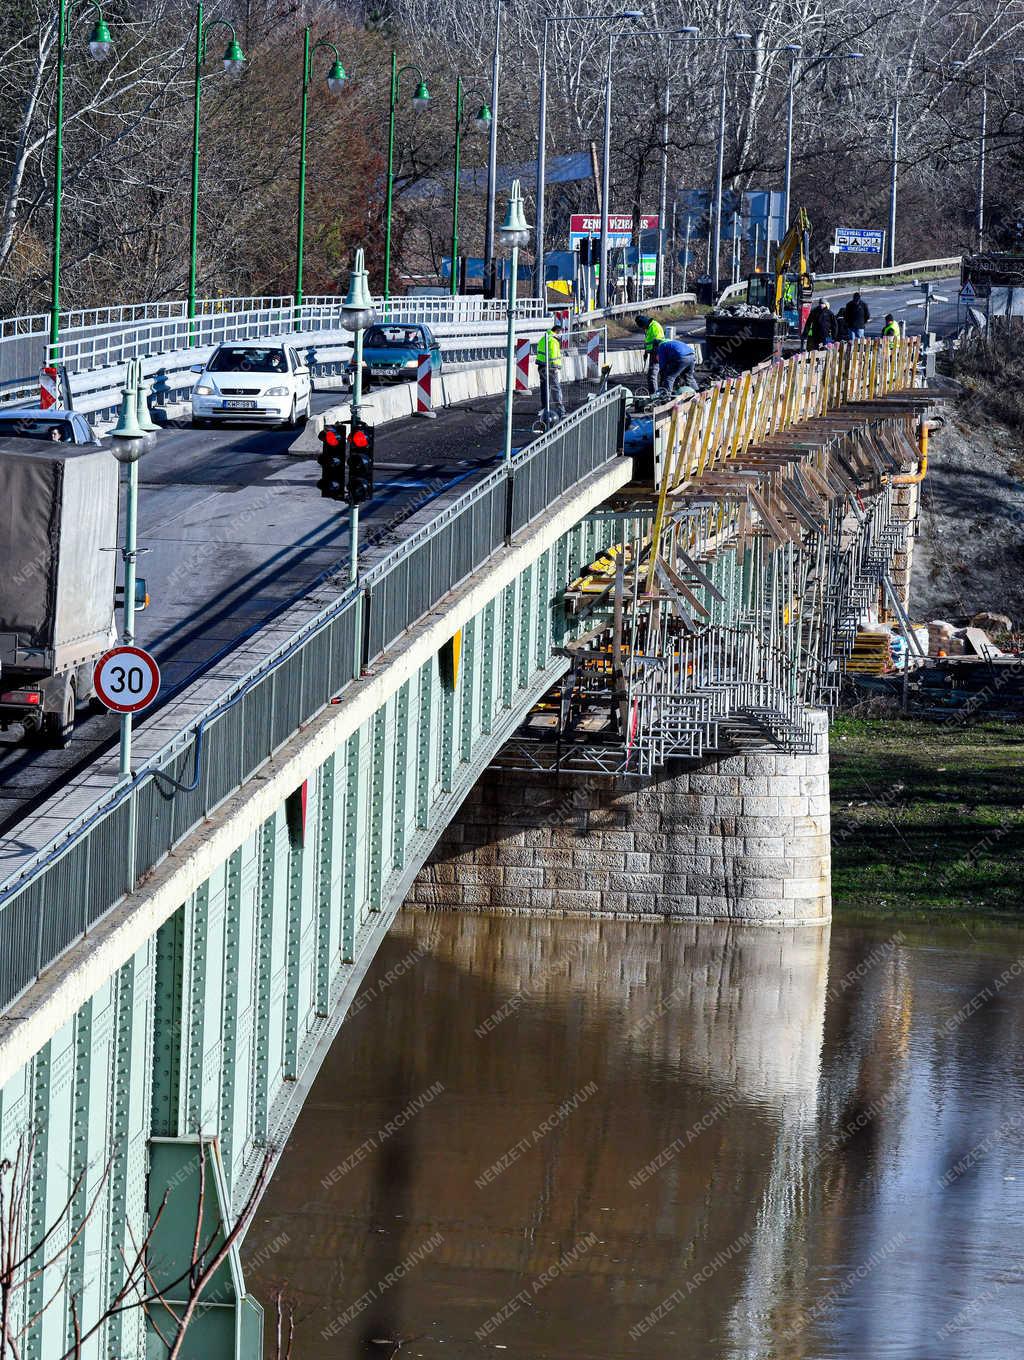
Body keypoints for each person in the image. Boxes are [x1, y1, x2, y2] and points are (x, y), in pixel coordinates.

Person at [536, 323, 566, 419]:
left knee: (544, 388)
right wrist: (556, 368)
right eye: (560, 333)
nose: (561, 336)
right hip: (551, 368)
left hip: (541, 366)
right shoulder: (553, 341)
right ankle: (560, 411)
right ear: (557, 331)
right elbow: (553, 356)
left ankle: (544, 409)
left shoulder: (544, 338)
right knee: (555, 389)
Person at [635, 313, 665, 388]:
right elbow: (648, 342)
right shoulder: (648, 328)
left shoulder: (655, 327)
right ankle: (655, 393)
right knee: (652, 376)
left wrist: (655, 355)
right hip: (652, 353)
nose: (642, 329)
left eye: (642, 327)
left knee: (652, 376)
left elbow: (658, 341)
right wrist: (646, 352)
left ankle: (655, 395)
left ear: (644, 324)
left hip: (657, 353)